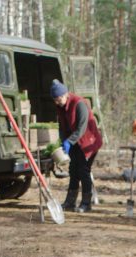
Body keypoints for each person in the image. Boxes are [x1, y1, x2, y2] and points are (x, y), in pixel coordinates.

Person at [51, 79, 102, 213]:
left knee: (83, 170)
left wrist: (70, 141)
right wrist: (63, 140)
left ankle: (86, 202)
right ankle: (70, 202)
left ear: (65, 94)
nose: (57, 101)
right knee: (73, 170)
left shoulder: (79, 104)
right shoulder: (59, 107)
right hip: (74, 142)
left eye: (59, 98)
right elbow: (62, 126)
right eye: (55, 99)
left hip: (88, 142)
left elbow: (82, 128)